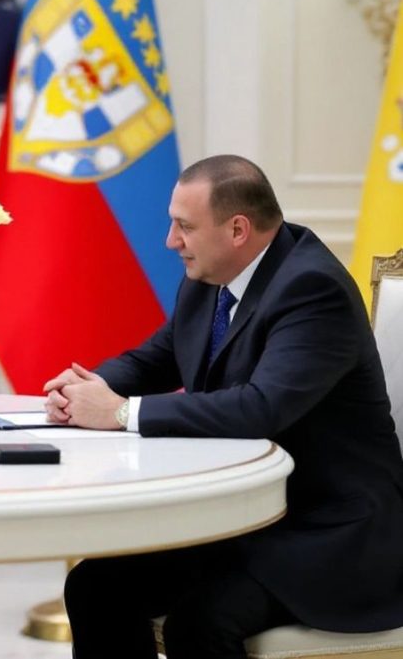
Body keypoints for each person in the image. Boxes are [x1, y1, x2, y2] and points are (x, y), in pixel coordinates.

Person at [43, 155, 403, 659]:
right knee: (95, 586)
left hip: (328, 534)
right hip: (249, 519)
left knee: (201, 621)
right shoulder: (210, 276)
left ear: (238, 229)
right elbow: (158, 357)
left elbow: (261, 409)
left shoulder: (312, 289)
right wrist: (87, 387)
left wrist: (122, 413)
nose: (171, 240)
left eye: (184, 226)